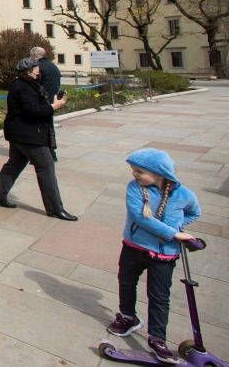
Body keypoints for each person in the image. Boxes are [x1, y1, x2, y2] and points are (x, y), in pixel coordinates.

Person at [106, 148, 201, 364]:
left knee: (159, 295)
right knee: (126, 281)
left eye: (140, 171)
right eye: (133, 170)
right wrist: (173, 233)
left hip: (164, 254)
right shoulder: (135, 189)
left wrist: (179, 226)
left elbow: (195, 212)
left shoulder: (184, 195)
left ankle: (158, 338)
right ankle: (128, 317)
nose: (135, 175)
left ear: (160, 173)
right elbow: (140, 217)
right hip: (134, 246)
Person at [0, 57, 77, 220]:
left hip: (19, 133)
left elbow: (32, 107)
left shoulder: (25, 84)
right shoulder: (24, 87)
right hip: (28, 134)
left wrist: (50, 104)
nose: (39, 70)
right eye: (36, 68)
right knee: (46, 167)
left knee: (14, 164)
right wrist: (53, 107)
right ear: (29, 71)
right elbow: (31, 112)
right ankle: (55, 208)